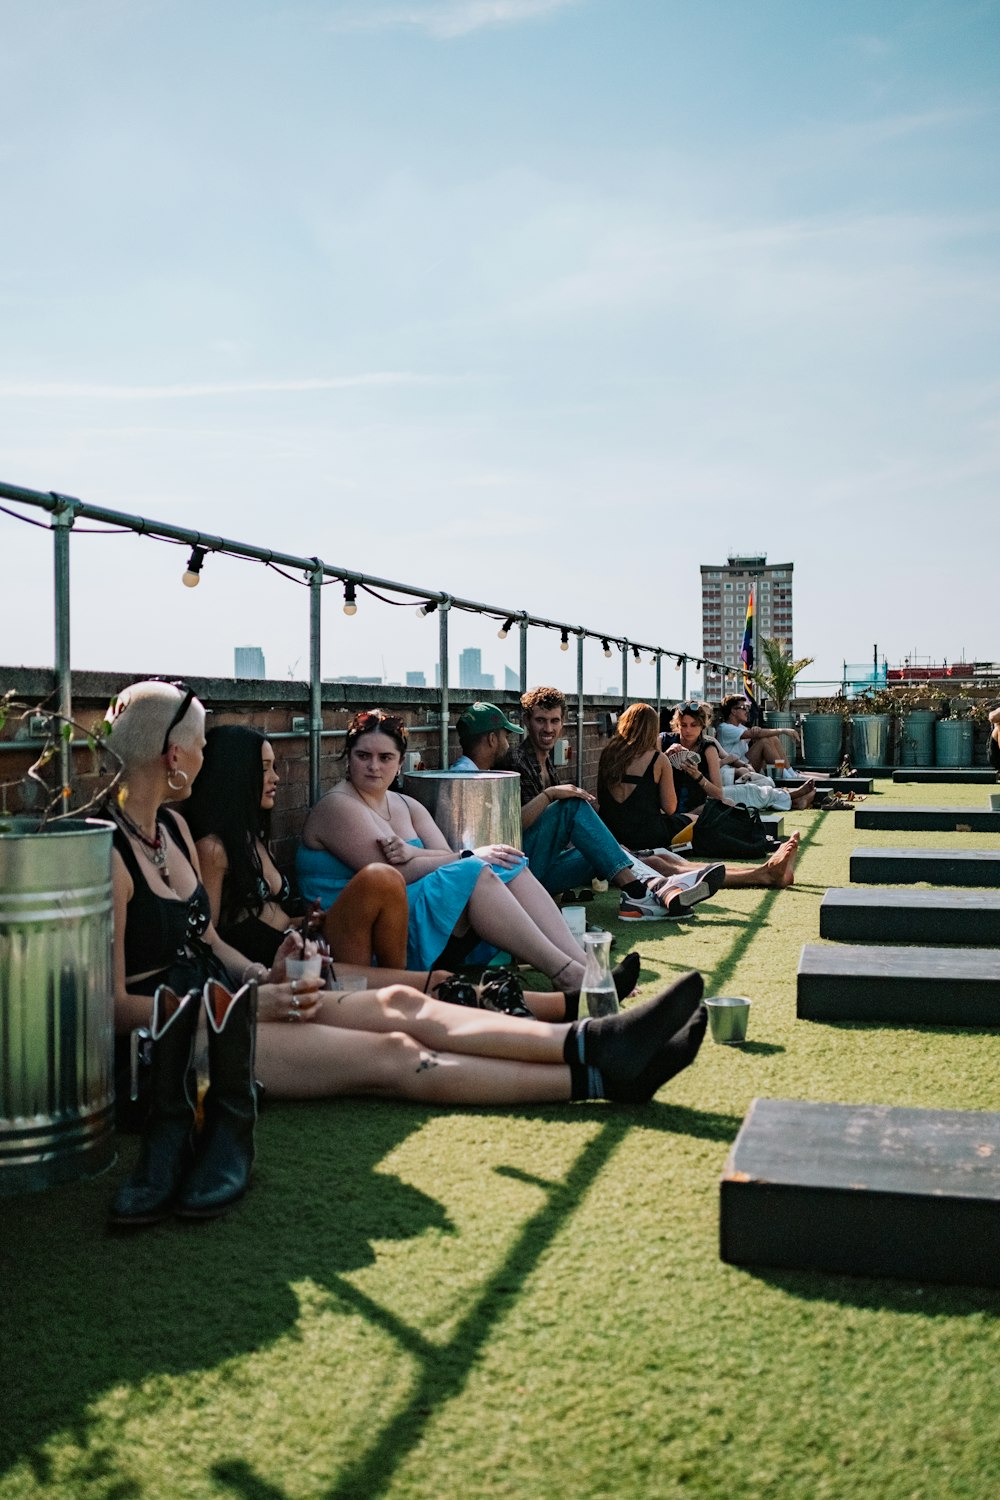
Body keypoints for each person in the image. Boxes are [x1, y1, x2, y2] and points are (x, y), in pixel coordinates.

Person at [104, 682, 709, 1224]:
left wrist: (262, 973)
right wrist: (247, 998)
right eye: (200, 745)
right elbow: (111, 1009)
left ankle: (598, 1038)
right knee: (395, 1053)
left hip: (242, 998)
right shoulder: (110, 854)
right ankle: (594, 1068)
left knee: (400, 999)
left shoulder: (175, 832)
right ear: (174, 756)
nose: (207, 758)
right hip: (187, 1037)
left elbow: (209, 941)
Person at [187, 723, 634, 1022]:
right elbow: (394, 872)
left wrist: (461, 855)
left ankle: (581, 969)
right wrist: (462, 856)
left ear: (401, 762)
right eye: (364, 756)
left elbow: (437, 859)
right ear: (348, 758)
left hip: (363, 920)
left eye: (385, 758)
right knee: (477, 869)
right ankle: (568, 976)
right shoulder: (337, 808)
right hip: (371, 927)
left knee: (502, 861)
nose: (374, 766)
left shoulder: (406, 804)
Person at [185, 724, 410, 970]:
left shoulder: (253, 838)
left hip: (304, 943)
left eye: (275, 767)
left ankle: (392, 980)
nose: (276, 777)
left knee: (385, 880)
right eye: (264, 769)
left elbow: (271, 918)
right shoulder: (212, 849)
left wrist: (305, 921)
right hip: (275, 965)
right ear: (235, 774)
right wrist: (257, 977)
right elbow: (207, 939)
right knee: (380, 877)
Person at [498, 689, 714, 921]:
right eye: (540, 721)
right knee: (571, 805)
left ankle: (659, 889)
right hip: (523, 870)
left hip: (547, 869)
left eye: (554, 721)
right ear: (527, 721)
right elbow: (513, 827)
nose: (548, 729)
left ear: (563, 722)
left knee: (612, 849)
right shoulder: (516, 762)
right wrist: (551, 795)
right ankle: (638, 892)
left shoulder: (548, 762)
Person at [600, 703, 801, 890]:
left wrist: (697, 775)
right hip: (647, 832)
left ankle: (764, 865)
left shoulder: (607, 754)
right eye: (683, 725)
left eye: (693, 725)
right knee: (694, 833)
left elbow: (603, 800)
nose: (687, 730)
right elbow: (670, 808)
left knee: (668, 860)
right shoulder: (658, 756)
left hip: (613, 834)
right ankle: (762, 860)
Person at [709, 698, 816, 810]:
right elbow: (752, 734)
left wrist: (756, 730)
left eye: (747, 708)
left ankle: (790, 774)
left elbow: (755, 733)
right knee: (765, 741)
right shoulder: (724, 728)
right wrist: (782, 730)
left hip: (743, 765)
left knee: (771, 738)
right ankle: (790, 783)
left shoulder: (740, 727)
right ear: (733, 711)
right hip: (734, 771)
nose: (747, 711)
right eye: (743, 708)